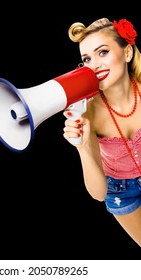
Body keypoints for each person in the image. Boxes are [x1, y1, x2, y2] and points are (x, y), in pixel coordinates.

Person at [63, 18, 141, 246]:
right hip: (119, 190)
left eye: (103, 52)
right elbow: (98, 194)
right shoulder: (87, 112)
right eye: (86, 59)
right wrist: (82, 147)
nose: (93, 66)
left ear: (127, 53)